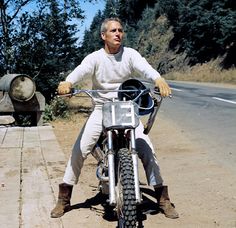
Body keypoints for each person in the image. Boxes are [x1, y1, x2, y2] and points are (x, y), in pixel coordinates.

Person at [51, 17, 179, 219]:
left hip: (127, 107)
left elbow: (144, 67)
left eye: (120, 30)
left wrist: (158, 78)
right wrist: (67, 82)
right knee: (80, 149)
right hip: (102, 108)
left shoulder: (130, 54)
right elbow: (80, 71)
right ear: (104, 35)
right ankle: (64, 199)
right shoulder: (95, 58)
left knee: (147, 149)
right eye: (113, 31)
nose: (118, 33)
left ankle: (163, 199)